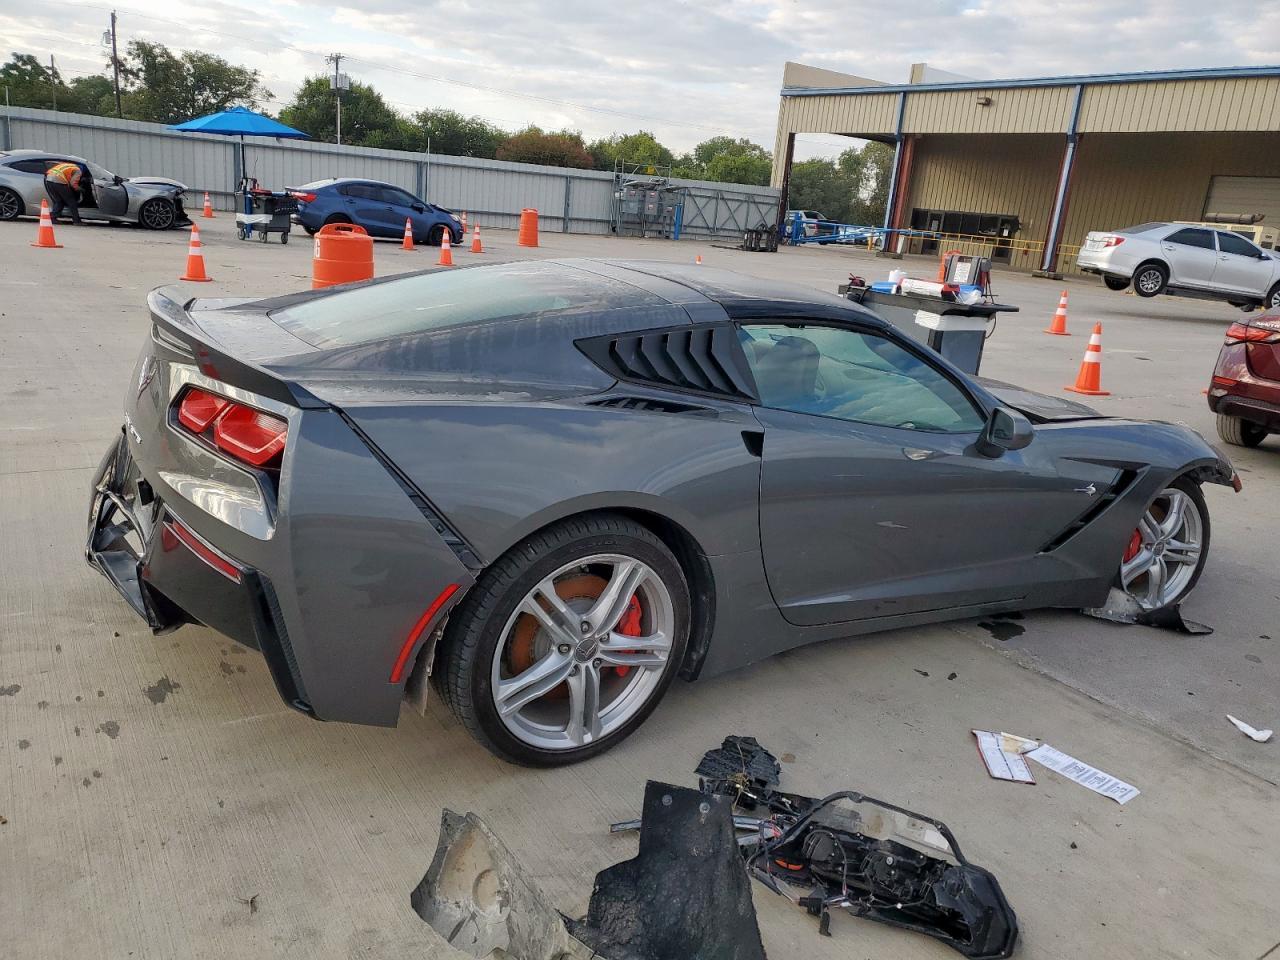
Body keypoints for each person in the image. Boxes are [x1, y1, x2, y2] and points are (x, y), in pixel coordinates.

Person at [44, 160, 85, 225]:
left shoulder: (67, 165)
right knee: (71, 202)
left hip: (49, 180)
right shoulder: (78, 170)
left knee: (59, 201)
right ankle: (76, 221)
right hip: (59, 181)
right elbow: (73, 183)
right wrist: (81, 189)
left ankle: (52, 218)